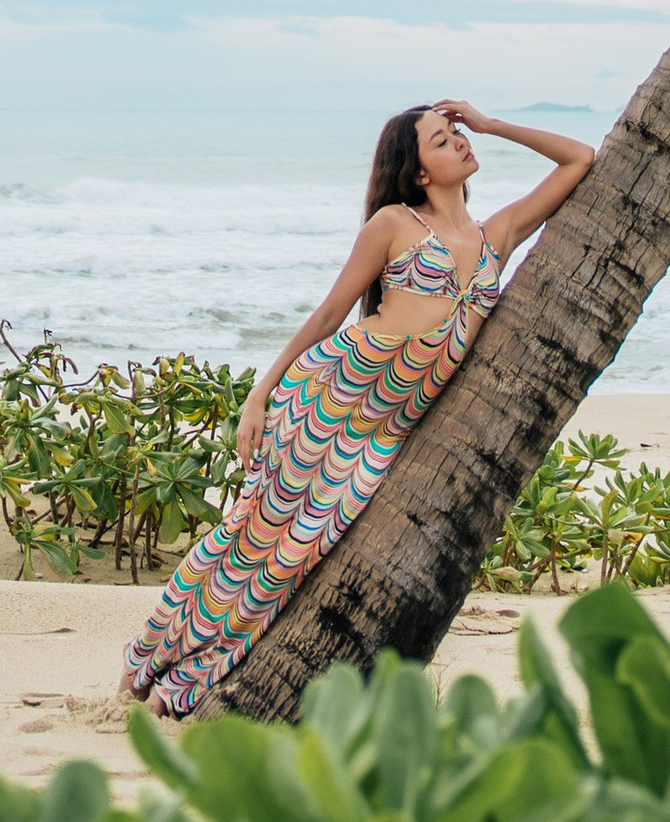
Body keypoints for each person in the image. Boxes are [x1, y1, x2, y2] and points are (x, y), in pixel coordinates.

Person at [122, 94, 594, 718]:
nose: (458, 141)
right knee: (248, 542)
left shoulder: (494, 236)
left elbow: (579, 160)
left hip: (381, 437)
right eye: (441, 138)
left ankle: (182, 687)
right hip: (328, 402)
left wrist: (490, 124)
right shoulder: (395, 224)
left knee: (290, 565)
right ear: (419, 171)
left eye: (456, 134)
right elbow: (329, 313)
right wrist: (260, 395)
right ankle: (141, 671)